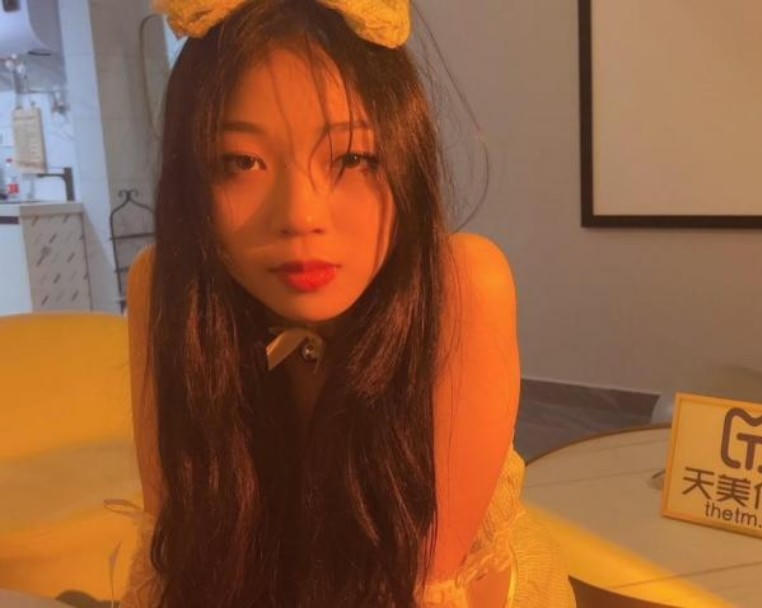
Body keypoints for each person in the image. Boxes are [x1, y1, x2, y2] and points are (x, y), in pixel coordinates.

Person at [119, 1, 576, 606]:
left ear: (404, 155)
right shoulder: (167, 286)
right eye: (241, 163)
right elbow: (178, 552)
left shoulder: (462, 284)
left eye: (352, 158)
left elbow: (421, 586)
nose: (300, 215)